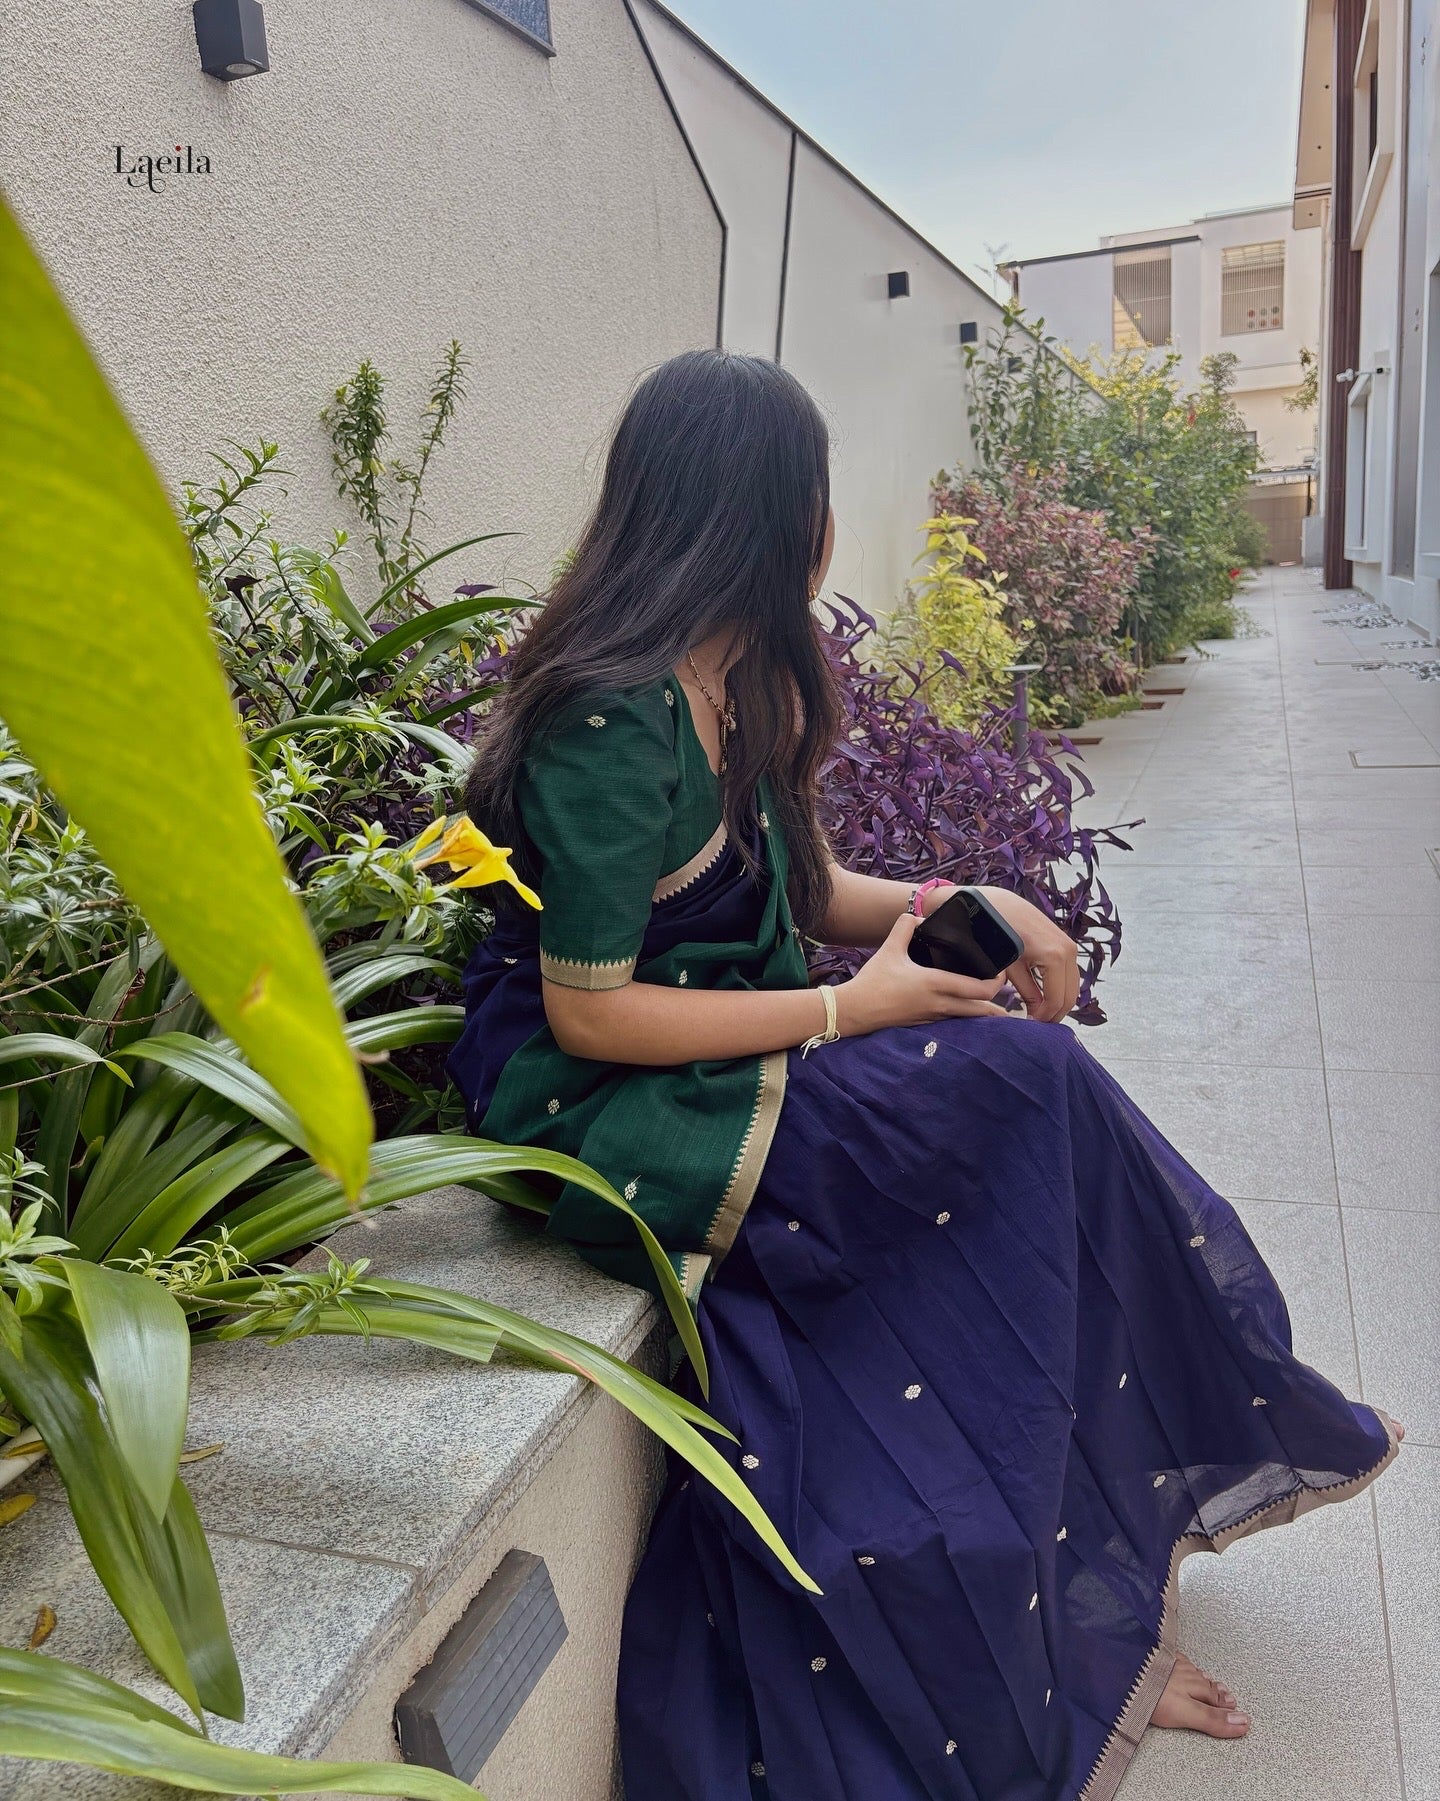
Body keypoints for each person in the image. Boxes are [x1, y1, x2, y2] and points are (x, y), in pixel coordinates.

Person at [450, 349, 1399, 1801]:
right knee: (1019, 1112)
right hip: (617, 1100)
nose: (826, 522)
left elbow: (807, 880)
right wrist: (850, 1011)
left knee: (1027, 1096)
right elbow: (590, 1016)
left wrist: (969, 898)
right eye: (811, 493)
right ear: (759, 514)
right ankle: (1066, 1610)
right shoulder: (606, 714)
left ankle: (1098, 1574)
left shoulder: (742, 672)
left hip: (743, 1026)